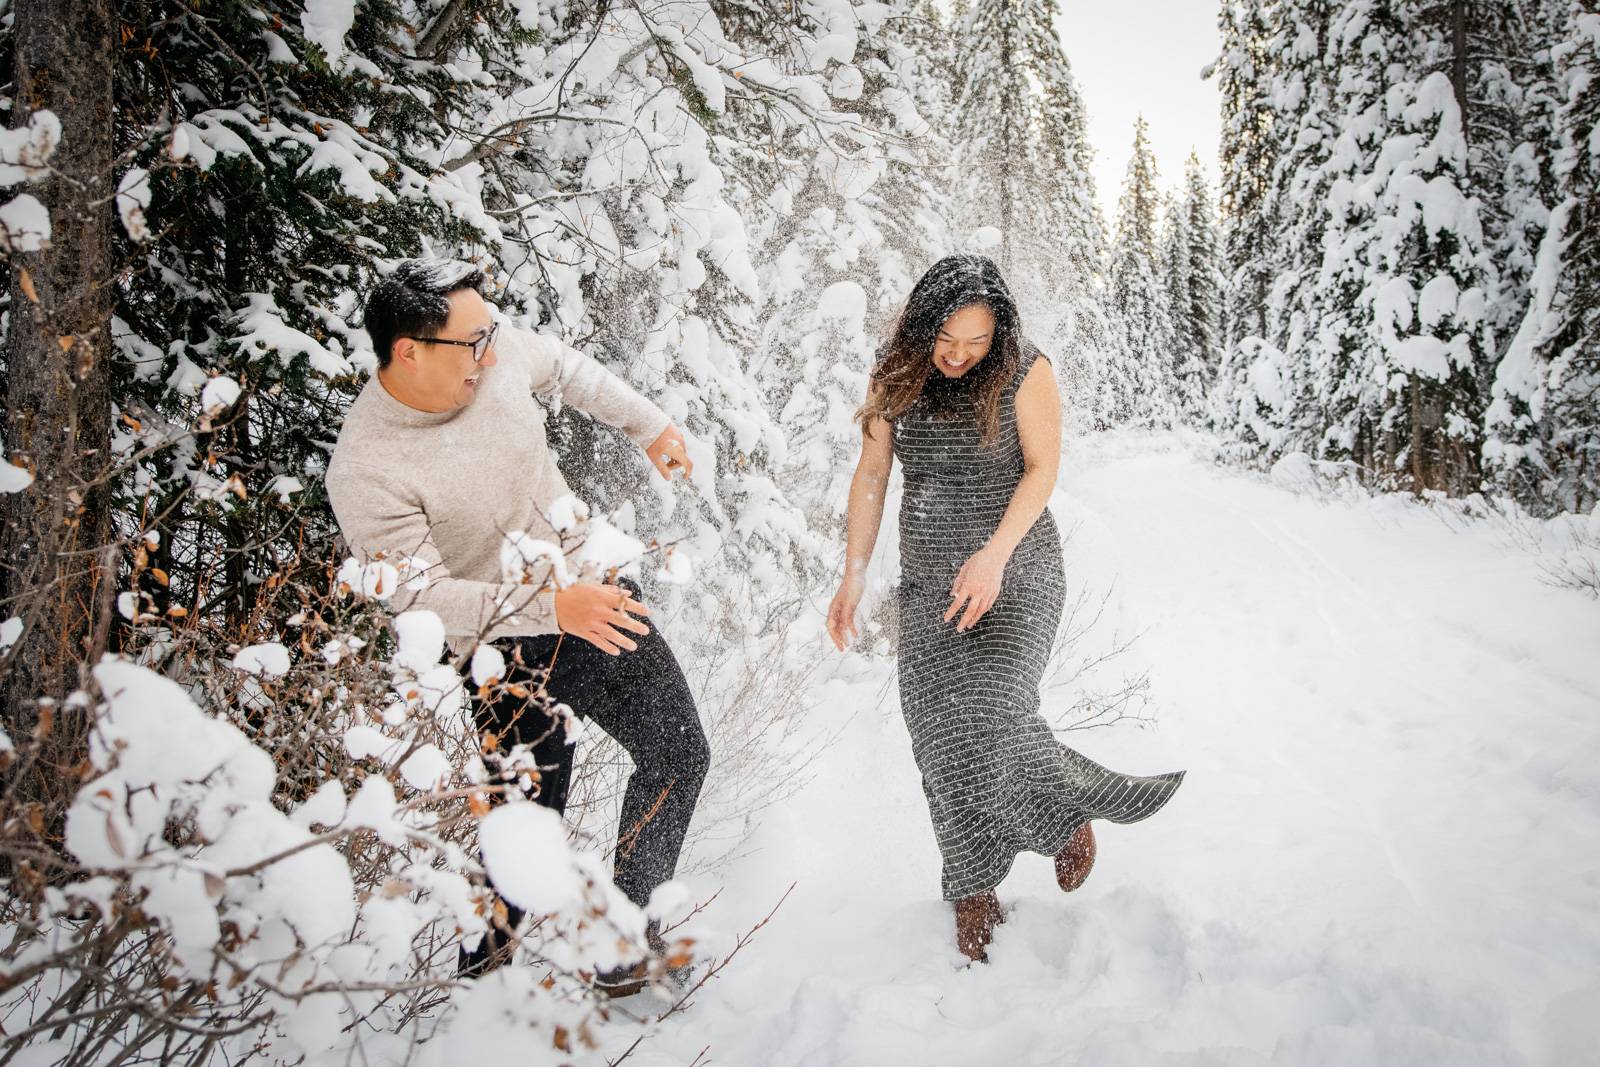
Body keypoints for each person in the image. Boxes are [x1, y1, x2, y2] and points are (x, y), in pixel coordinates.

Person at [326, 259, 710, 993]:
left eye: (491, 333)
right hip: (505, 654)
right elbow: (421, 597)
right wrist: (547, 608)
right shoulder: (367, 467)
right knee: (523, 840)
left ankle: (623, 946)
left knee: (679, 754)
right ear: (409, 350)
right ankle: (477, 999)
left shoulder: (486, 356)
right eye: (474, 342)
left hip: (591, 590)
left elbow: (569, 370)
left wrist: (651, 425)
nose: (494, 354)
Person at [826, 254, 1185, 963]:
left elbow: (1042, 469)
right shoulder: (895, 370)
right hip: (931, 583)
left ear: (1000, 335)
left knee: (991, 715)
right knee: (936, 735)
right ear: (922, 326)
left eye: (976, 343)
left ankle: (1064, 816)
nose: (959, 357)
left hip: (1016, 571)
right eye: (946, 341)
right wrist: (854, 575)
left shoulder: (1025, 370)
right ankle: (973, 887)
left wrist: (993, 555)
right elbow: (871, 473)